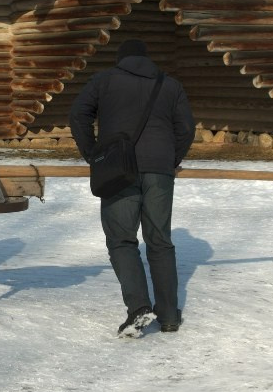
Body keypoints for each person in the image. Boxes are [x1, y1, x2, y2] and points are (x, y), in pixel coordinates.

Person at [69, 39, 195, 338]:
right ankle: (168, 316)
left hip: (118, 171)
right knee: (160, 241)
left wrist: (93, 155)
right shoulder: (170, 85)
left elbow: (78, 116)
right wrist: (170, 159)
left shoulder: (104, 81)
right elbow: (186, 128)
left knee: (122, 240)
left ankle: (139, 307)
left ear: (121, 59)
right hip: (159, 172)